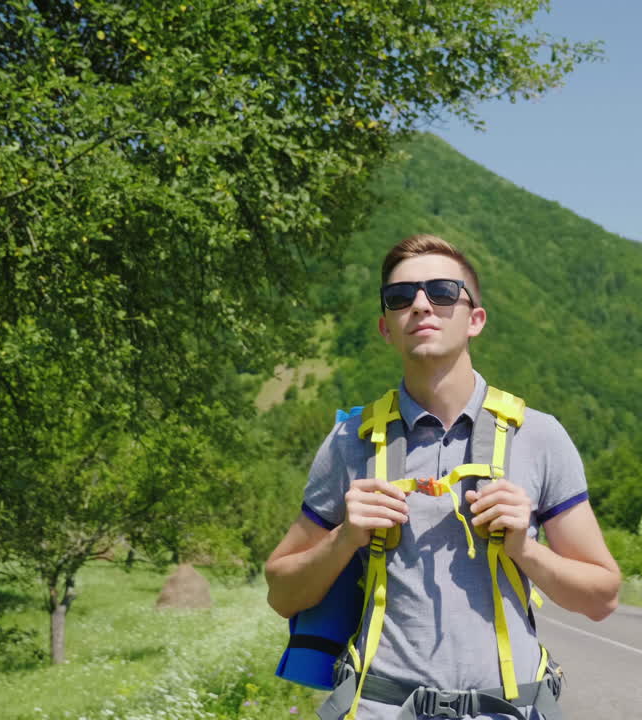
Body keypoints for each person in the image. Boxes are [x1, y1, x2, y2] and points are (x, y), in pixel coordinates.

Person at [266, 234, 621, 719]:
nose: (420, 304)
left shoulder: (538, 436)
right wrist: (345, 538)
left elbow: (602, 597)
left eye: (442, 292)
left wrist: (524, 549)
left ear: (475, 319)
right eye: (400, 297)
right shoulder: (350, 441)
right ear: (385, 327)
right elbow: (282, 593)